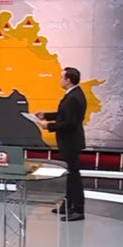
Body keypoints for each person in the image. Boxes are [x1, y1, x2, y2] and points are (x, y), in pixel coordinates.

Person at [36, 67, 86, 221]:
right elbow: (64, 114)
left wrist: (48, 126)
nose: (59, 80)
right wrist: (46, 115)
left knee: (73, 176)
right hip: (68, 142)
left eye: (61, 77)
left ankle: (78, 209)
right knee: (69, 175)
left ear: (68, 80)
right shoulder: (73, 95)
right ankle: (68, 204)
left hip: (71, 142)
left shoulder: (74, 97)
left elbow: (70, 123)